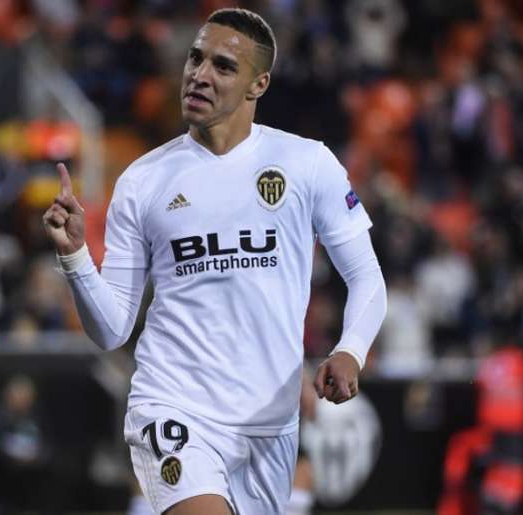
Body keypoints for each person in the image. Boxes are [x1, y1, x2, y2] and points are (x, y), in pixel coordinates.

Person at [43, 8, 387, 515]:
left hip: (270, 424)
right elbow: (113, 329)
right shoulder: (144, 181)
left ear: (258, 84)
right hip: (174, 405)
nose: (200, 74)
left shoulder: (307, 164)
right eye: (195, 58)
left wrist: (350, 350)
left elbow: (366, 277)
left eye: (223, 66)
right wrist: (75, 255)